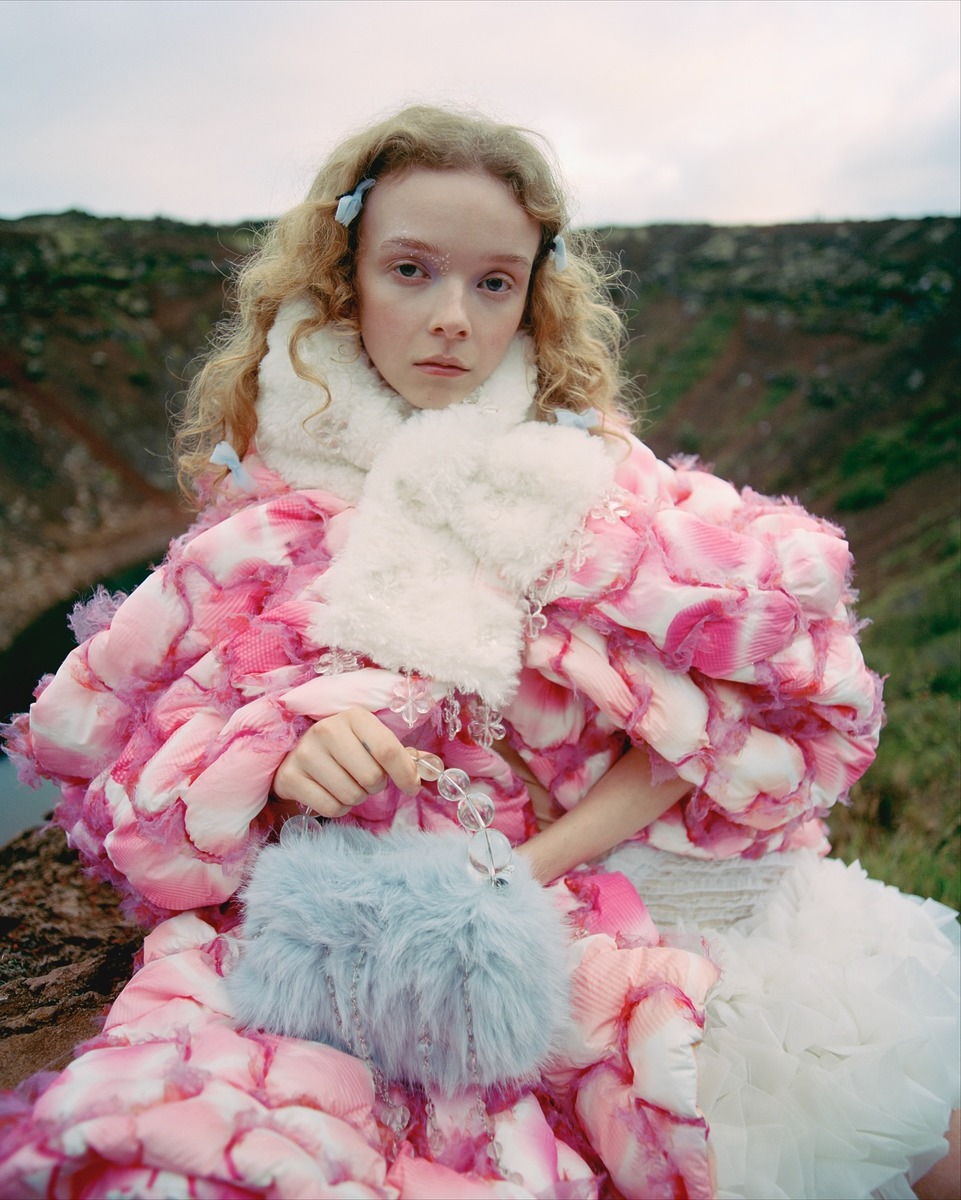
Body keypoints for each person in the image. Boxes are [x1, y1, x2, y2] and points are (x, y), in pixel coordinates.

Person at [1, 105, 957, 1199]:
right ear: (344, 275)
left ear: (532, 294)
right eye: (411, 270)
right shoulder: (259, 531)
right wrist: (282, 757)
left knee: (892, 1123)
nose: (452, 319)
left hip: (645, 897)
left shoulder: (599, 483)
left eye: (493, 282)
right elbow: (143, 794)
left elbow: (733, 719)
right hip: (392, 954)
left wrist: (521, 875)